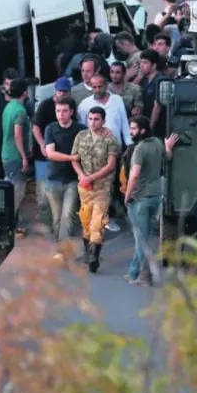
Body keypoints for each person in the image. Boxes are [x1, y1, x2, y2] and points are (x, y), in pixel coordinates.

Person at [124, 116, 179, 286]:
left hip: (140, 198)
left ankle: (145, 277)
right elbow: (168, 157)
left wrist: (127, 194)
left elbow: (134, 174)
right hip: (156, 196)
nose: (130, 132)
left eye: (133, 128)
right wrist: (168, 147)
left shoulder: (139, 149)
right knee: (141, 237)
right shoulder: (156, 142)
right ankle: (133, 272)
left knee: (141, 239)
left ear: (142, 130)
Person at [78, 74, 132, 231]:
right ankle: (104, 218)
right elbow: (83, 129)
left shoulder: (117, 100)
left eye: (100, 86)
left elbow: (123, 123)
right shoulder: (84, 104)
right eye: (93, 87)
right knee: (101, 185)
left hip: (116, 149)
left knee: (118, 183)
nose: (97, 90)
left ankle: (117, 214)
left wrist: (129, 144)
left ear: (106, 85)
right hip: (95, 153)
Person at [71, 107, 119, 272]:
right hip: (84, 187)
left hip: (102, 187)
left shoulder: (110, 140)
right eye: (90, 119)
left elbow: (111, 164)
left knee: (96, 223)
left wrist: (92, 177)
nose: (93, 122)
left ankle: (94, 257)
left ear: (103, 121)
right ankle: (88, 252)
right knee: (85, 220)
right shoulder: (81, 136)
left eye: (96, 119)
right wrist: (81, 175)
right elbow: (75, 158)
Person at [44, 97, 86, 260]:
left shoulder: (80, 129)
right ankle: (58, 247)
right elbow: (50, 153)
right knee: (57, 218)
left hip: (72, 180)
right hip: (53, 179)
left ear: (71, 112)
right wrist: (72, 158)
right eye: (58, 111)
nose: (61, 114)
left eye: (64, 111)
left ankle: (62, 250)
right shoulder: (50, 129)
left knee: (68, 215)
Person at [32, 77, 72, 228]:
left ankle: (60, 226)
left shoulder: (70, 107)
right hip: (43, 156)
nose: (62, 93)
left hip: (61, 157)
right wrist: (42, 144)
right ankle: (48, 225)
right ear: (55, 90)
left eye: (65, 91)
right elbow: (35, 127)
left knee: (61, 193)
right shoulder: (46, 105)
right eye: (60, 90)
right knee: (43, 195)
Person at [0, 68, 34, 179]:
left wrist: (30, 143)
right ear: (3, 84)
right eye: (7, 84)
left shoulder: (24, 101)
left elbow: (32, 124)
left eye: (12, 84)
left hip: (15, 150)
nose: (9, 88)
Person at [1, 78, 31, 236]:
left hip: (6, 154)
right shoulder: (20, 110)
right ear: (25, 92)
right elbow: (18, 135)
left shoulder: (8, 107)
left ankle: (13, 226)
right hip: (15, 157)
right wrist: (24, 157)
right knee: (16, 195)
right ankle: (8, 228)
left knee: (10, 192)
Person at [136, 49, 165, 139]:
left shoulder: (160, 80)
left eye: (145, 63)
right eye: (141, 62)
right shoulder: (145, 80)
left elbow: (157, 107)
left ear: (153, 65)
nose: (141, 65)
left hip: (158, 126)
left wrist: (150, 128)